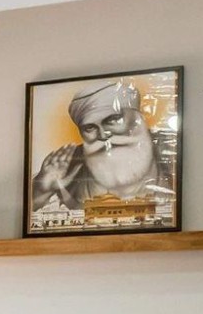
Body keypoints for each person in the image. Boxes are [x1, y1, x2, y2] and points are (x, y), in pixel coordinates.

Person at [33, 78, 175, 224]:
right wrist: (41, 191)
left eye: (113, 119)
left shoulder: (171, 153)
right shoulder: (65, 166)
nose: (103, 135)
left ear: (139, 117)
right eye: (89, 128)